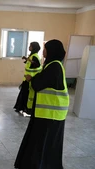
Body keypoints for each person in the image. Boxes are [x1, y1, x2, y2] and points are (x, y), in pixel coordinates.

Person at [14, 39, 70, 169]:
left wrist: (31, 79)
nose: (43, 51)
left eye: (45, 48)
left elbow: (38, 84)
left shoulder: (54, 66)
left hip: (50, 115)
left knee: (43, 143)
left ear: (52, 51)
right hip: (46, 114)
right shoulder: (52, 65)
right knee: (40, 142)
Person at [13, 42, 42, 116]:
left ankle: (25, 108)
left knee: (26, 94)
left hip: (30, 79)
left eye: (30, 46)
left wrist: (29, 60)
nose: (29, 47)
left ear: (34, 47)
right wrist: (26, 59)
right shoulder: (32, 55)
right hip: (26, 78)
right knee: (23, 93)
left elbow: (36, 64)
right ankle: (20, 107)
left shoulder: (35, 56)